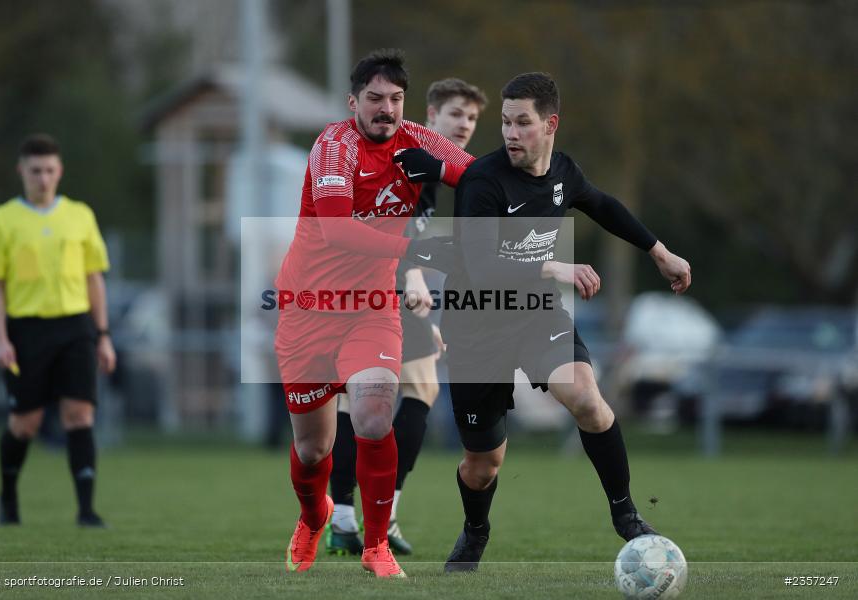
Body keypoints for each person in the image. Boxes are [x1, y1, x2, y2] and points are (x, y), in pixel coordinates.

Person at [440, 72, 692, 572]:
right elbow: (483, 266)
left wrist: (659, 252)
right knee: (482, 464)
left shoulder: (564, 173)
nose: (511, 133)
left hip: (534, 314)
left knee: (586, 398)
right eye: (506, 123)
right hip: (475, 327)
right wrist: (554, 266)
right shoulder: (482, 181)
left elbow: (603, 206)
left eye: (523, 123)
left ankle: (626, 515)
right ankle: (475, 532)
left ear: (550, 123)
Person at [273, 49, 474, 578]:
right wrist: (421, 252)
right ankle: (313, 518)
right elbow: (338, 230)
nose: (386, 109)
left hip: (370, 307)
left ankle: (376, 544)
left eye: (396, 99)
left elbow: (476, 176)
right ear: (353, 102)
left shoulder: (417, 139)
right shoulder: (333, 146)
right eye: (375, 99)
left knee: (372, 414)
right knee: (313, 449)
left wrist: (538, 180)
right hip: (309, 309)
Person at [327, 78, 488, 557]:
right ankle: (376, 516)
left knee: (355, 401)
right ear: (430, 117)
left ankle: (344, 518)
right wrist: (413, 274)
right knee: (416, 388)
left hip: (371, 287)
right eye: (455, 114)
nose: (464, 125)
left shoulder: (432, 173)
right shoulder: (406, 157)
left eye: (472, 118)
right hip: (369, 287)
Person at [0, 134, 116, 528]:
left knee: (79, 414)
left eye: (50, 170)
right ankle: (8, 497)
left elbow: (94, 278)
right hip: (26, 330)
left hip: (75, 327)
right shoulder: (2, 219)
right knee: (25, 423)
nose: (43, 178)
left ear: (60, 172)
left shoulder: (79, 215)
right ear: (22, 171)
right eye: (35, 170)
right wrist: (1, 339)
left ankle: (86, 510)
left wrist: (102, 334)